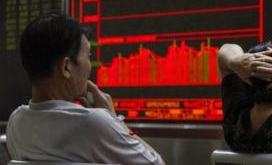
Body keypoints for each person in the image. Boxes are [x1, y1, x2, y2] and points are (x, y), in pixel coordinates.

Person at [6, 14, 165, 165]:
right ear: (66, 66)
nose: (90, 67)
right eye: (88, 56)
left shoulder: (16, 121)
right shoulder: (94, 123)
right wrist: (116, 121)